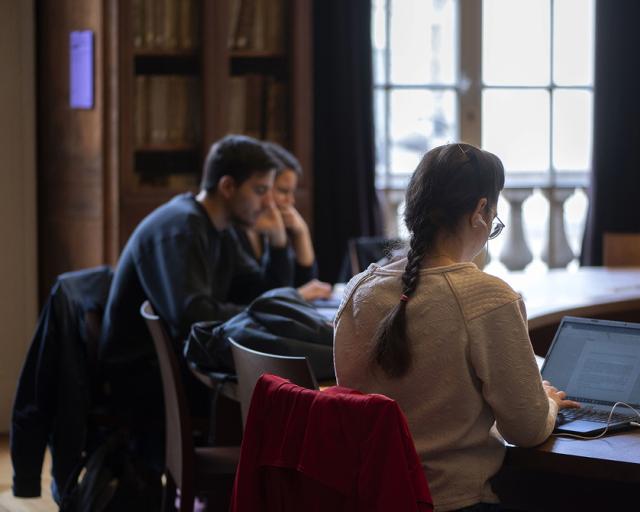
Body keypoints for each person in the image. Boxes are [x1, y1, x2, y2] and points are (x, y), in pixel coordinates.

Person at [334, 143, 579, 512]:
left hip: (369, 497)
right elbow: (526, 430)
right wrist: (547, 402)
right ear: (481, 211)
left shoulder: (359, 289)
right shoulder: (486, 297)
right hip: (454, 501)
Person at [98, 134, 293, 415]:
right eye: (260, 190)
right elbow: (193, 316)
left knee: (277, 395)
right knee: (274, 404)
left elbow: (261, 294)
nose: (269, 204)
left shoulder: (222, 229)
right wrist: (261, 314)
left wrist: (277, 244)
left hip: (184, 368)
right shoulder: (182, 228)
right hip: (146, 380)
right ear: (227, 186)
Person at [237, 142, 332, 301]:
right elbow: (264, 299)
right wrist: (278, 242)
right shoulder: (235, 231)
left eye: (292, 192)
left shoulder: (271, 226)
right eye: (283, 191)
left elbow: (307, 285)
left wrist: (302, 233)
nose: (291, 201)